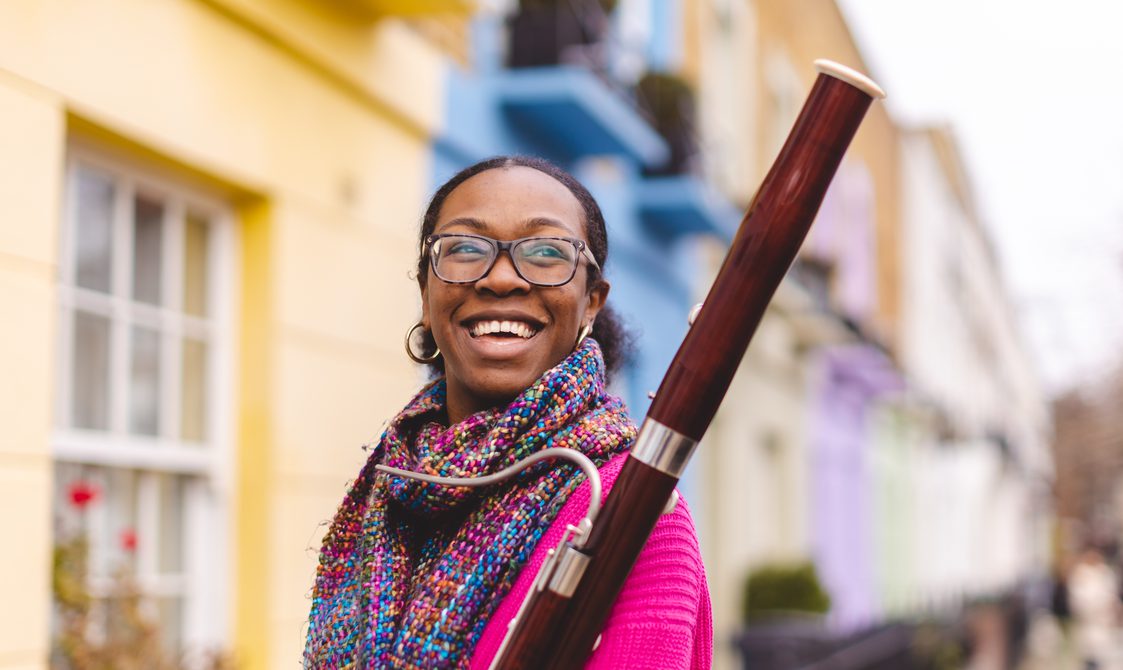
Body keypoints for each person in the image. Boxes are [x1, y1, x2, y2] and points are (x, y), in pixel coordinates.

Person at [303, 156, 712, 669]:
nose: (500, 279)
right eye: (465, 249)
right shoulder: (390, 482)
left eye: (546, 252)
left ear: (591, 302)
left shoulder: (634, 508)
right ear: (426, 297)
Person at [1068, 546, 1121, 670]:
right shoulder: (1080, 574)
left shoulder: (1105, 574)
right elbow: (1078, 602)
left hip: (1103, 625)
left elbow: (1110, 597)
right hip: (1087, 626)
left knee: (1103, 658)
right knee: (1088, 658)